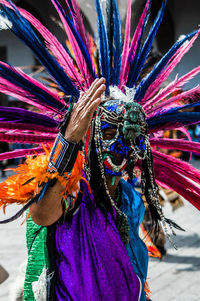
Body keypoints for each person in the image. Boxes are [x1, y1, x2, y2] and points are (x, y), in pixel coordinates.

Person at [0, 0, 200, 300]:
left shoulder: (130, 197)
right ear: (88, 136)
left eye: (132, 136)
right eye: (109, 132)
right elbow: (42, 215)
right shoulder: (72, 190)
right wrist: (67, 140)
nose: (122, 146)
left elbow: (135, 265)